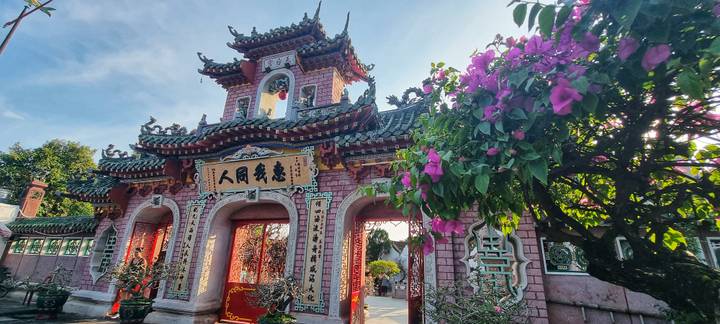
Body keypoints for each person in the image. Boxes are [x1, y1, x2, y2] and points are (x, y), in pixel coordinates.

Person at [107, 247, 147, 319]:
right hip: (128, 278)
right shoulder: (132, 260)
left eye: (137, 252)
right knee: (122, 293)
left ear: (140, 253)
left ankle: (124, 312)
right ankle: (119, 311)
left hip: (135, 279)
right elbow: (127, 269)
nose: (135, 254)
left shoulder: (142, 260)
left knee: (128, 294)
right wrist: (122, 276)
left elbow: (143, 272)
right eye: (134, 252)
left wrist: (139, 279)